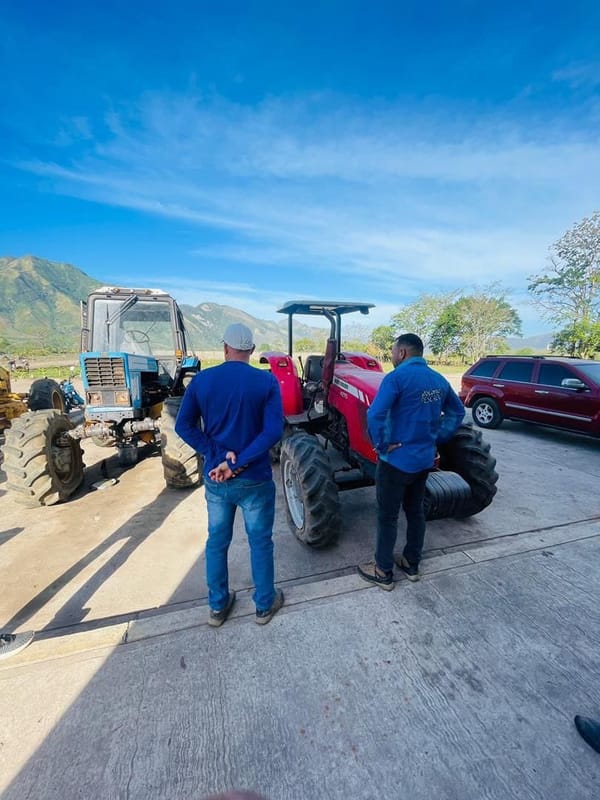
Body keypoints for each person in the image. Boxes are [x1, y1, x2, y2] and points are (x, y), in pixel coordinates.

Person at [175, 323, 285, 627]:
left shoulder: (202, 380)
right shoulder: (266, 381)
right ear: (251, 350)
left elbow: (183, 426)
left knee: (217, 541)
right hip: (255, 479)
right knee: (260, 541)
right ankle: (264, 605)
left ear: (225, 348)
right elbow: (273, 431)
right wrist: (238, 462)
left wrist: (217, 454)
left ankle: (218, 607)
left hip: (217, 477)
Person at [357, 333, 465, 590]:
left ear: (402, 352)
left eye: (394, 351)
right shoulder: (438, 379)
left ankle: (383, 570)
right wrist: (437, 437)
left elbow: (375, 414)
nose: (392, 355)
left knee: (388, 516)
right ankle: (411, 563)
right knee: (416, 512)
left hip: (395, 461)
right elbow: (457, 411)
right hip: (424, 461)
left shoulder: (396, 378)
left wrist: (381, 444)